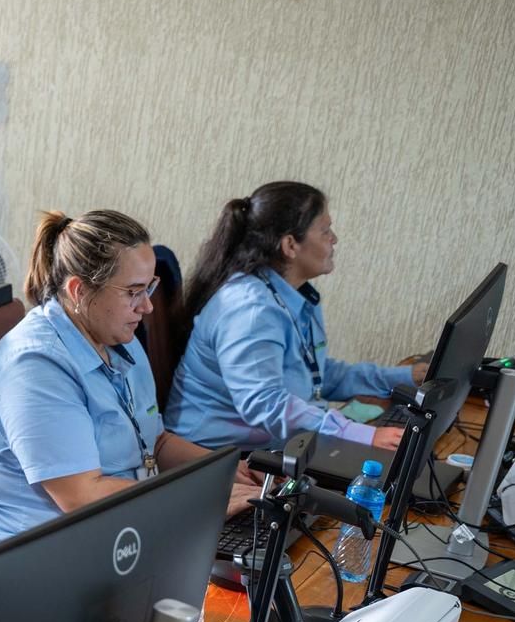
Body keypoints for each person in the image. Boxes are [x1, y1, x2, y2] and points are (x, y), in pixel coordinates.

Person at [0, 209, 264, 552]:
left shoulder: (119, 338)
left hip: (118, 528)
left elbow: (155, 443)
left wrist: (225, 470)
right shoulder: (35, 367)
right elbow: (81, 496)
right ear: (78, 291)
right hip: (39, 554)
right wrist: (203, 499)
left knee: (266, 553)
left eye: (149, 288)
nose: (147, 307)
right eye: (133, 292)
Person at [165, 181, 424, 452]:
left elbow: (317, 376)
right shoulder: (250, 310)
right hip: (219, 457)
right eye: (325, 231)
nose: (334, 239)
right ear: (290, 245)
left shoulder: (291, 294)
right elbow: (265, 404)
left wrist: (406, 378)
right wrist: (359, 435)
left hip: (268, 446)